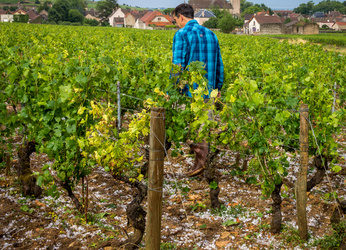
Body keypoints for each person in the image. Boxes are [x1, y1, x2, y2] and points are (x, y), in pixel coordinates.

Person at [171, 3, 224, 177]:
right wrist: (218, 88)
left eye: (175, 20)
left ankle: (200, 164)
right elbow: (219, 66)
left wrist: (173, 89)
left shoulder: (182, 34)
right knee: (203, 127)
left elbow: (178, 65)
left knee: (187, 128)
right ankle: (201, 165)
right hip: (208, 91)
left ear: (181, 16)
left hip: (189, 92)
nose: (176, 23)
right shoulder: (211, 34)